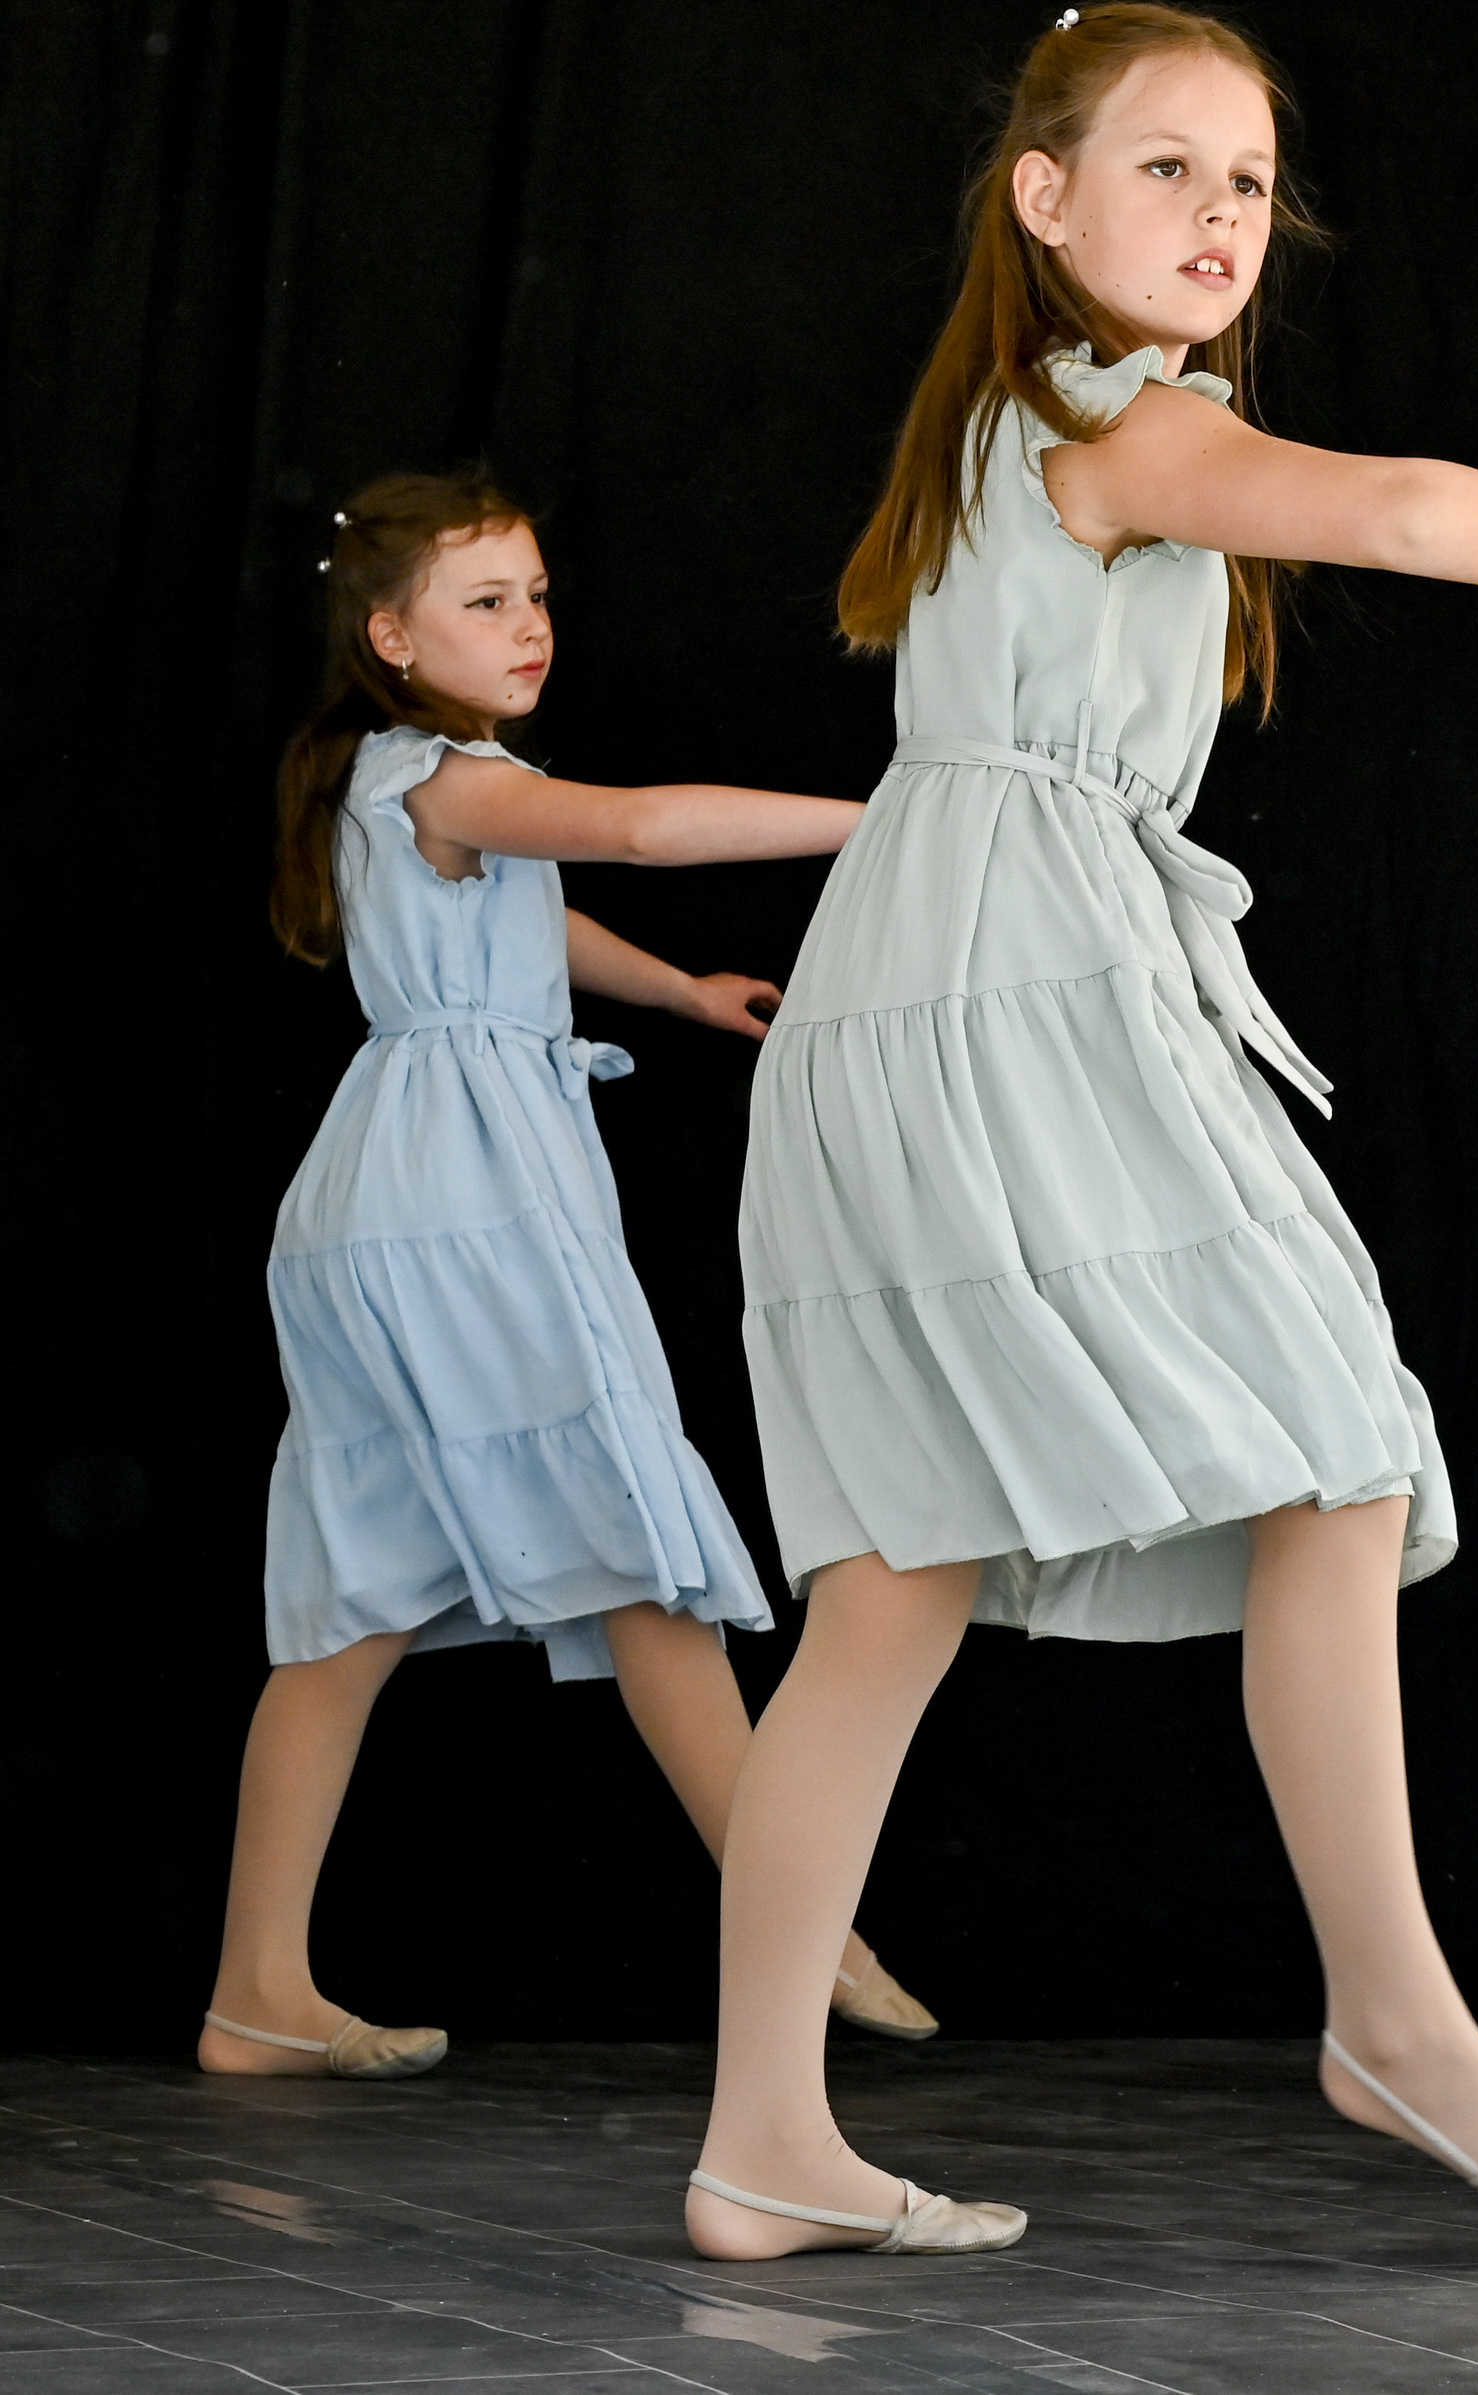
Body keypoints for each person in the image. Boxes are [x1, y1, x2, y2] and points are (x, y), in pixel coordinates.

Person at [688, 3, 1478, 2257]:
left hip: (973, 983)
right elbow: (1392, 505)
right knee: (1330, 1454)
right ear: (1045, 197)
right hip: (1010, 1000)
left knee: (906, 1581)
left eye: (1251, 184)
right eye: (1168, 167)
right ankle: (1392, 2017)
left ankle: (763, 2138)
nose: (1220, 216)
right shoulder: (1109, 419)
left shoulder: (1033, 426)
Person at [215, 472, 926, 2086]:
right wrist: (892, 818)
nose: (529, 627)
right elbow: (638, 829)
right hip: (465, 1201)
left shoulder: (406, 783)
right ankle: (806, 1927)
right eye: (486, 604)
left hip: (382, 1200)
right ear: (391, 636)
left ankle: (255, 1989)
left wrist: (677, 991)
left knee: (353, 1607)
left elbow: (541, 915)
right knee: (638, 1552)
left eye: (536, 596)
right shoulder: (447, 774)